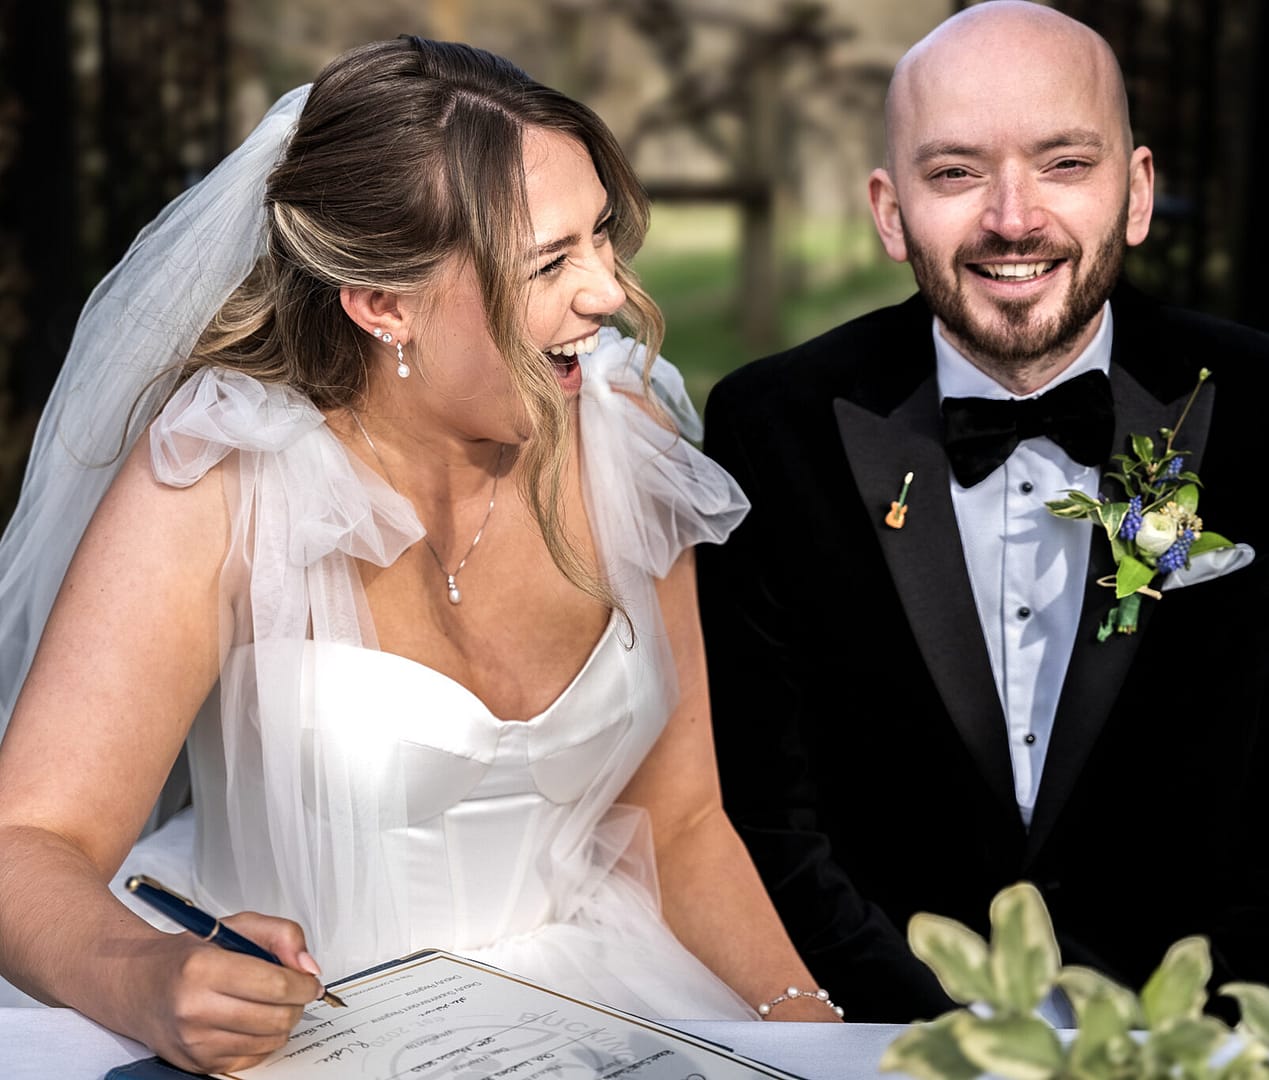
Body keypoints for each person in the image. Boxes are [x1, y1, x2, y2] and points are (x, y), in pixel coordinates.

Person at [0, 37, 841, 1075]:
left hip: (604, 1005)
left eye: (602, 241)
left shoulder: (632, 438)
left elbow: (681, 823)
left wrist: (808, 1027)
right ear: (383, 304)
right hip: (293, 1033)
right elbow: (27, 841)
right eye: (551, 262)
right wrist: (146, 974)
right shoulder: (218, 480)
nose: (609, 296)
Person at [699, 0, 1269, 1024]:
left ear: (1136, 193)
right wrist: (942, 1038)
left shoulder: (1267, 406)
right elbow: (769, 812)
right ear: (888, 210)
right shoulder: (770, 426)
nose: (1013, 218)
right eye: (956, 172)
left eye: (1064, 164)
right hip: (890, 1032)